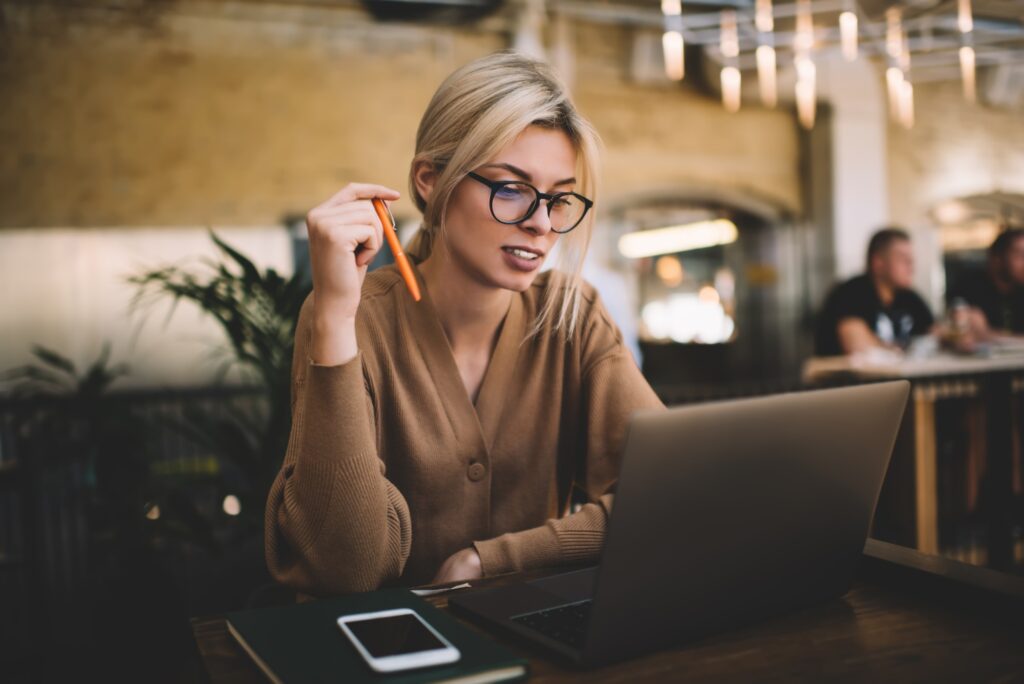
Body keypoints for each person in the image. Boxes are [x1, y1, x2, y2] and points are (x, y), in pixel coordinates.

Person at [264, 51, 665, 597]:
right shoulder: (355, 317)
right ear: (431, 181)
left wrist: (490, 561)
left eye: (559, 198)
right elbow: (346, 567)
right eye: (511, 189)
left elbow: (669, 498)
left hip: (535, 642)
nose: (542, 224)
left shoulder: (572, 316)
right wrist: (334, 313)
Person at [814, 227, 935, 356]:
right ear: (878, 263)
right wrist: (908, 349)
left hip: (900, 374)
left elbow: (936, 333)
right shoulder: (851, 292)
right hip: (854, 376)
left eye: (911, 258)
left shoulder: (909, 297)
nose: (911, 264)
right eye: (902, 258)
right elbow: (858, 347)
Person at [947, 228, 1024, 339]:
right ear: (997, 259)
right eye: (1019, 255)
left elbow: (982, 334)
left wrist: (987, 333)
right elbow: (961, 336)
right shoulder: (970, 286)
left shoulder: (1020, 290)